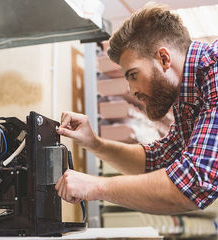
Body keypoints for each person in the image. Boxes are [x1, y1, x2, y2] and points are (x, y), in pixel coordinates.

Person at [55, 3, 218, 214]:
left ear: (164, 59)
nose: (131, 90)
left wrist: (97, 186)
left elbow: (195, 182)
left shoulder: (214, 71)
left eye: (133, 75)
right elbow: (158, 160)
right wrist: (94, 144)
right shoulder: (187, 96)